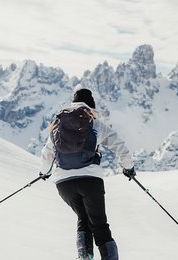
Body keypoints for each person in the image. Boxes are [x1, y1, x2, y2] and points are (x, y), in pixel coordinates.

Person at [39, 88, 136, 260]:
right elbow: (119, 145)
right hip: (90, 181)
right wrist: (128, 167)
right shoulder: (95, 123)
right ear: (91, 105)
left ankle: (84, 256)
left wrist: (44, 172)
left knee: (83, 218)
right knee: (99, 224)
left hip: (64, 183)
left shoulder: (59, 124)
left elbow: (47, 153)